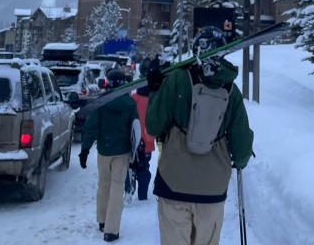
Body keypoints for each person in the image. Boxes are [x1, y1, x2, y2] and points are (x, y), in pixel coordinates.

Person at [146, 28, 254, 245]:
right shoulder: (231, 91)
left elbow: (153, 125)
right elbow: (242, 146)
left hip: (173, 183)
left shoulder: (176, 79)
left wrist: (155, 90)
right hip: (213, 190)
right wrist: (239, 161)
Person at [80, 68, 140, 242]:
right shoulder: (130, 104)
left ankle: (102, 220)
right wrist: (135, 152)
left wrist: (84, 150)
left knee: (103, 185)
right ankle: (111, 230)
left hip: (104, 151)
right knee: (117, 188)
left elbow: (91, 127)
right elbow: (135, 129)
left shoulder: (102, 102)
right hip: (121, 152)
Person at [129, 57, 159, 200]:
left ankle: (129, 187)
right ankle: (142, 194)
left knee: (130, 165)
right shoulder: (156, 99)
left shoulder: (133, 98)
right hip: (148, 139)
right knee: (144, 167)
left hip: (133, 139)